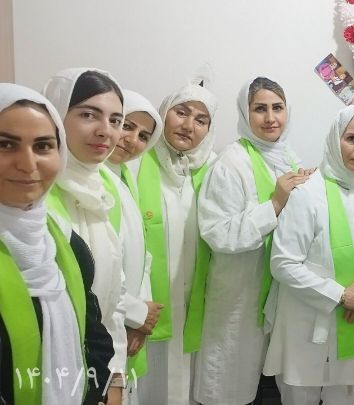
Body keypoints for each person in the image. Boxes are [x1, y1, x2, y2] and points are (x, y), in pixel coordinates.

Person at [264, 104, 354, 404]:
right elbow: (283, 263)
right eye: (352, 139)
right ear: (335, 139)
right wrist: (342, 295)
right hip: (306, 328)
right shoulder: (309, 192)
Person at [194, 77, 312, 404]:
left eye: (278, 108)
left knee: (265, 386)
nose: (270, 118)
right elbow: (218, 232)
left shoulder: (287, 158)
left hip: (274, 295)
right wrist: (274, 203)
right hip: (237, 298)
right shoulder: (231, 163)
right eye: (260, 109)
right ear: (245, 114)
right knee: (228, 389)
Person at [0, 83, 114, 405]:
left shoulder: (64, 241)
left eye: (43, 146)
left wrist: (99, 391)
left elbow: (92, 332)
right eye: (6, 144)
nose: (28, 164)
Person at [43, 68, 128, 405]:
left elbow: (113, 294)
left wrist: (114, 375)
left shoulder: (106, 188)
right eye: (88, 115)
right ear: (54, 115)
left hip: (99, 365)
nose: (105, 130)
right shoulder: (33, 196)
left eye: (115, 120)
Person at [135, 78, 218, 405]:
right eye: (181, 112)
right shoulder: (137, 161)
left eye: (201, 119)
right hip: (147, 300)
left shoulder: (215, 169)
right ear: (163, 113)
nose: (188, 125)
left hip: (196, 300)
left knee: (189, 384)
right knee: (148, 385)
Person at [104, 89, 165, 400]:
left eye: (143, 136)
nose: (131, 140)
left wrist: (141, 317)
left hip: (129, 318)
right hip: (108, 321)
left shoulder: (125, 177)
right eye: (126, 126)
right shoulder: (91, 180)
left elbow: (142, 256)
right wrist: (136, 312)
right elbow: (98, 267)